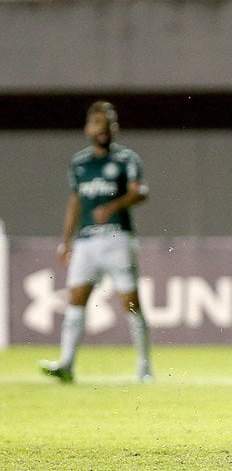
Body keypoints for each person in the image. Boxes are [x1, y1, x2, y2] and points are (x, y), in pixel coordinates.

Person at [39, 101, 152, 383]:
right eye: (100, 124)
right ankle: (66, 364)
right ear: (88, 128)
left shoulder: (126, 159)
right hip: (86, 242)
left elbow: (140, 192)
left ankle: (144, 366)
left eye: (110, 125)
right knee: (76, 299)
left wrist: (113, 207)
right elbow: (75, 202)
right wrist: (66, 241)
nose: (105, 130)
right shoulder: (79, 163)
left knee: (130, 302)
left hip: (117, 238)